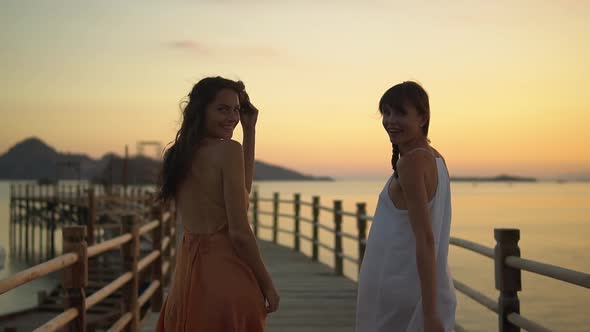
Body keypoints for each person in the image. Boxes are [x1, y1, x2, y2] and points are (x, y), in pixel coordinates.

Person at [155, 76, 279, 331]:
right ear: (201, 110)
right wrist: (267, 284)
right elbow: (240, 231)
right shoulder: (228, 150)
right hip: (225, 274)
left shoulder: (177, 154)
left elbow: (241, 193)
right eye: (222, 109)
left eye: (235, 109)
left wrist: (250, 131)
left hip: (187, 276)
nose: (232, 117)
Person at [356, 81, 456, 331]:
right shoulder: (435, 158)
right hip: (411, 285)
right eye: (386, 112)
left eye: (401, 113)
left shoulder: (411, 163)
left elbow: (425, 238)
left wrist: (430, 313)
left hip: (400, 286)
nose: (391, 120)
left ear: (422, 118)